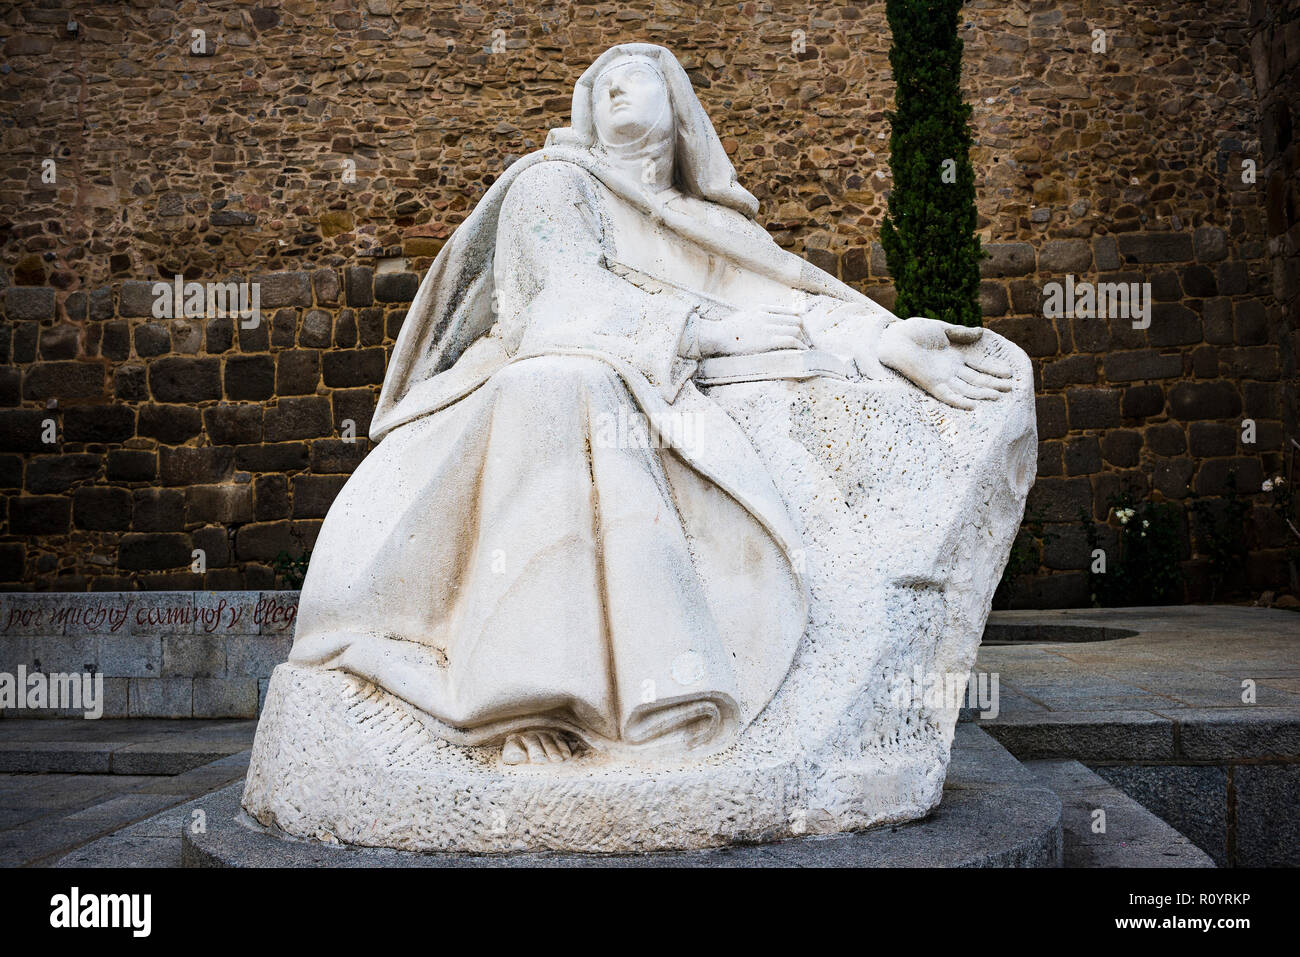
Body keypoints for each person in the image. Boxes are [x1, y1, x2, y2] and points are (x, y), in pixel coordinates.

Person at [287, 43, 1011, 765]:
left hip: (656, 392)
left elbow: (782, 301)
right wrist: (707, 333)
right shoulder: (555, 183)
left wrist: (881, 341)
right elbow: (564, 301)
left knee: (596, 392)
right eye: (599, 86)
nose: (614, 90)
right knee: (562, 380)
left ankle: (664, 689)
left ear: (680, 110)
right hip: (538, 384)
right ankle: (522, 690)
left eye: (634, 78)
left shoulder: (715, 230)